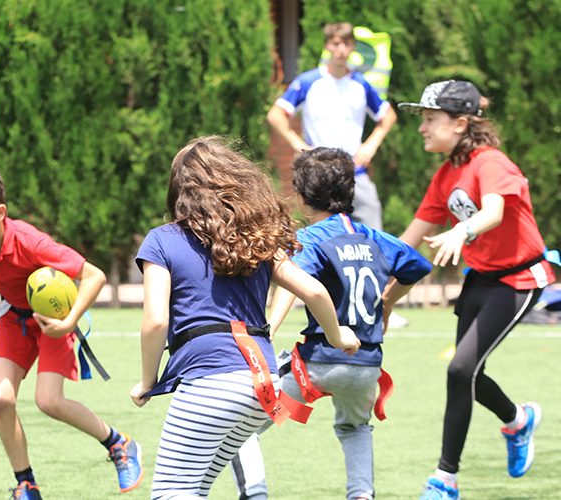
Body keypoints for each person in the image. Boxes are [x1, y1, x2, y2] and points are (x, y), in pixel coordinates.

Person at [130, 137, 361, 499]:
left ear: (179, 189)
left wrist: (148, 381)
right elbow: (314, 292)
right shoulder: (258, 239)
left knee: (171, 492)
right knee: (196, 489)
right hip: (262, 386)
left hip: (209, 382)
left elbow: (155, 322)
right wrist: (337, 336)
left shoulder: (161, 240)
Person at [0, 161, 143, 499]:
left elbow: (94, 276)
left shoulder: (29, 241)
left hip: (52, 320)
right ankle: (26, 484)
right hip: (12, 318)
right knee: (0, 398)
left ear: (0, 212)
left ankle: (119, 443)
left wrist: (69, 321)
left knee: (49, 401)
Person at [229, 147, 432, 500]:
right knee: (355, 428)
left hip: (315, 368)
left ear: (302, 196)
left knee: (241, 426)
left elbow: (293, 283)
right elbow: (416, 267)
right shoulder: (376, 238)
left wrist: (269, 328)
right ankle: (361, 494)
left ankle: (255, 494)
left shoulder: (312, 239)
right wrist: (388, 301)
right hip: (366, 367)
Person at [398, 80, 553, 499]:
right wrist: (369, 267)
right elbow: (410, 237)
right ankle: (518, 421)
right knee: (470, 373)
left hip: (519, 279)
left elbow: (494, 211)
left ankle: (444, 479)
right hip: (481, 278)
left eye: (430, 119)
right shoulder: (446, 174)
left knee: (459, 370)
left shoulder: (491, 162)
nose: (422, 127)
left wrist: (461, 231)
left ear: (460, 123)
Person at [268, 22, 397, 231]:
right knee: (322, 234)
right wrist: (298, 145)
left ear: (353, 47)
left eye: (346, 44)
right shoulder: (308, 81)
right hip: (320, 172)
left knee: (372, 229)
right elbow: (275, 114)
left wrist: (370, 146)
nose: (341, 50)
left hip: (355, 171)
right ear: (327, 45)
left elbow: (388, 116)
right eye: (336, 43)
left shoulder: (361, 84)